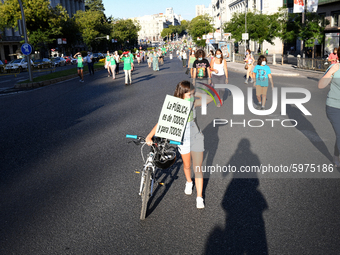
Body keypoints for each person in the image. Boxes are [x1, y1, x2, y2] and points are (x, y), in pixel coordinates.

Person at [145, 80, 213, 209]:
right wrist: (149, 135)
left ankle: (199, 196)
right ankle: (189, 182)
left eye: (193, 94)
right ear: (181, 94)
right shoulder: (174, 105)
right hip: (182, 138)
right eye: (189, 95)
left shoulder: (193, 102)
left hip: (196, 136)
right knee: (187, 165)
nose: (191, 97)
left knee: (197, 167)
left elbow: (209, 98)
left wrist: (194, 92)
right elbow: (162, 121)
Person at [318, 47, 340, 167]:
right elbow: (321, 85)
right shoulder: (335, 67)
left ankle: (336, 155)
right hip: (334, 107)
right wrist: (331, 72)